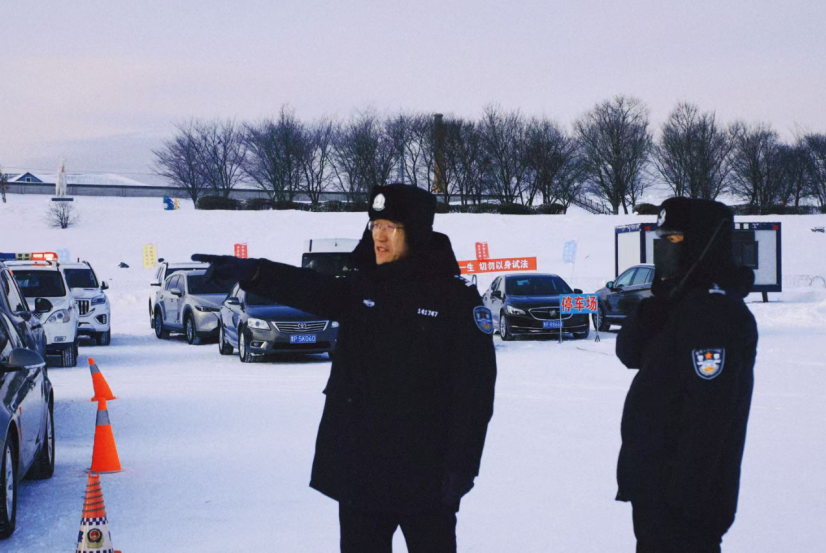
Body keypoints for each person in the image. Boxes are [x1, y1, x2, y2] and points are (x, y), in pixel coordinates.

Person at [194, 184, 496, 553]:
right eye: (375, 225)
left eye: (390, 227)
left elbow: (475, 394)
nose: (379, 236)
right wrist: (255, 272)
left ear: (417, 232)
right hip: (362, 473)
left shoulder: (455, 302)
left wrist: (462, 466)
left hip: (426, 477)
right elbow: (309, 287)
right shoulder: (362, 288)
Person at [615, 197, 758, 553]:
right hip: (655, 493)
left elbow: (710, 418)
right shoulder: (677, 304)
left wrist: (681, 505)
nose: (664, 248)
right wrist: (656, 305)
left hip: (683, 512)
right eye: (661, 239)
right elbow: (628, 353)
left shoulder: (714, 313)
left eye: (674, 239)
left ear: (702, 245)